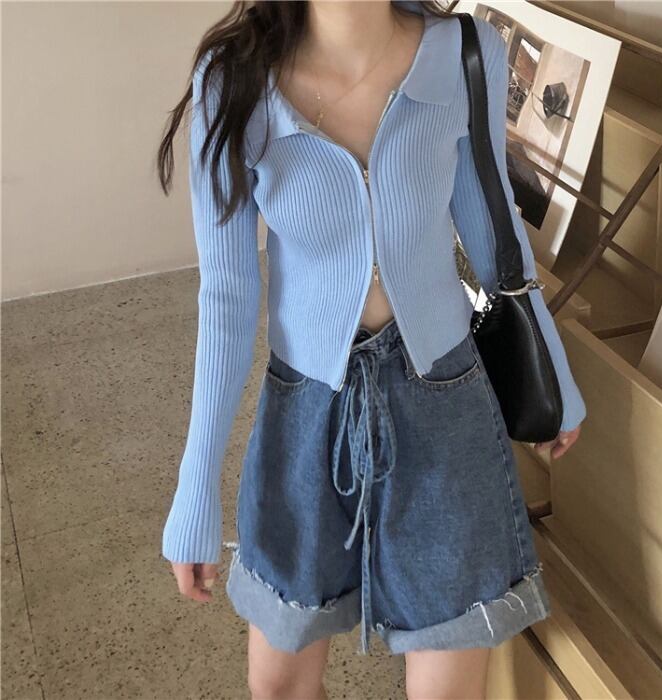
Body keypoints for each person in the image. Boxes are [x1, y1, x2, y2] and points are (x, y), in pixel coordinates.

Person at [157, 1, 586, 698]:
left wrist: (554, 380)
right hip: (305, 411)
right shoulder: (233, 78)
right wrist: (195, 486)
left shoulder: (465, 52)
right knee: (279, 685)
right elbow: (228, 297)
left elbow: (495, 236)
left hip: (445, 401)